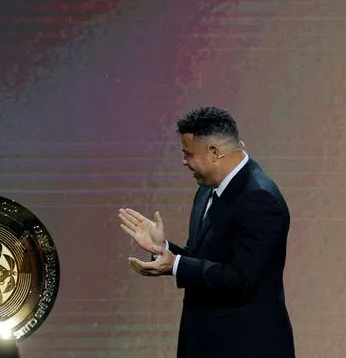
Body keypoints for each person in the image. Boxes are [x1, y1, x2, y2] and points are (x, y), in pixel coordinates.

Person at [118, 107, 295, 357]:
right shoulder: (207, 190)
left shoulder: (259, 199)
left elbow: (240, 279)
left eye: (188, 154)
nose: (184, 162)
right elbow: (208, 259)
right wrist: (164, 248)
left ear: (214, 152)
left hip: (245, 347)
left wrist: (175, 265)